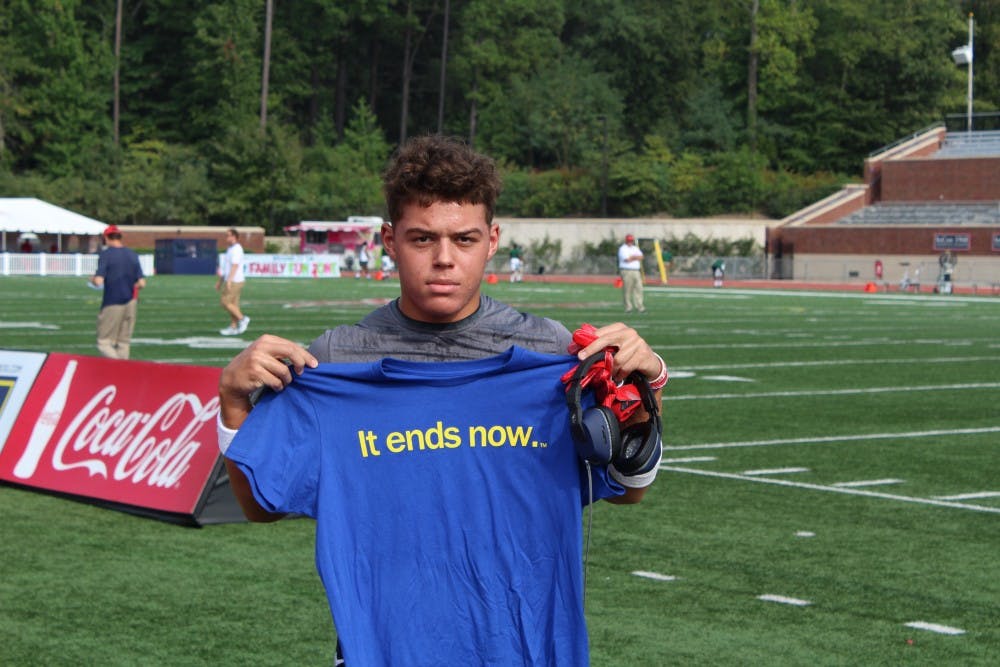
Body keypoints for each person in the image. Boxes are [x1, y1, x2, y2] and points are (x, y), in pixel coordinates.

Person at [217, 135, 667, 665]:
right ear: (389, 239)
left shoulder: (550, 352)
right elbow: (258, 507)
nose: (445, 260)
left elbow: (628, 490)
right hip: (381, 651)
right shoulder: (336, 361)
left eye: (466, 239)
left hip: (522, 649)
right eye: (423, 239)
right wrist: (231, 401)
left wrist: (647, 386)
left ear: (493, 239)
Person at [89, 225, 146, 359]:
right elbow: (142, 283)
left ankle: (117, 366)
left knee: (104, 342)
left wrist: (92, 279)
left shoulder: (107, 255)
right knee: (124, 342)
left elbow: (98, 281)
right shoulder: (132, 254)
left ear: (106, 238)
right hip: (131, 301)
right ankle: (123, 373)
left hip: (113, 301)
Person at [216, 228, 250, 335]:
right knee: (233, 304)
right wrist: (220, 281)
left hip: (235, 280)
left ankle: (242, 319)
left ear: (234, 237)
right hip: (231, 279)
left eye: (228, 235)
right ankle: (233, 326)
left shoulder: (236, 249)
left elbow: (235, 266)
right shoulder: (230, 248)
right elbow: (227, 267)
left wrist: (229, 281)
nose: (226, 237)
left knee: (225, 302)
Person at [617, 233, 645, 313]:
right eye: (629, 241)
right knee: (627, 289)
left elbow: (641, 257)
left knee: (639, 288)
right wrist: (635, 257)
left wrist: (632, 257)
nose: (630, 242)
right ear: (626, 241)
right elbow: (626, 259)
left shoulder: (635, 248)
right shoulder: (623, 249)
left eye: (631, 241)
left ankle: (640, 306)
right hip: (626, 270)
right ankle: (628, 307)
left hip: (636, 270)